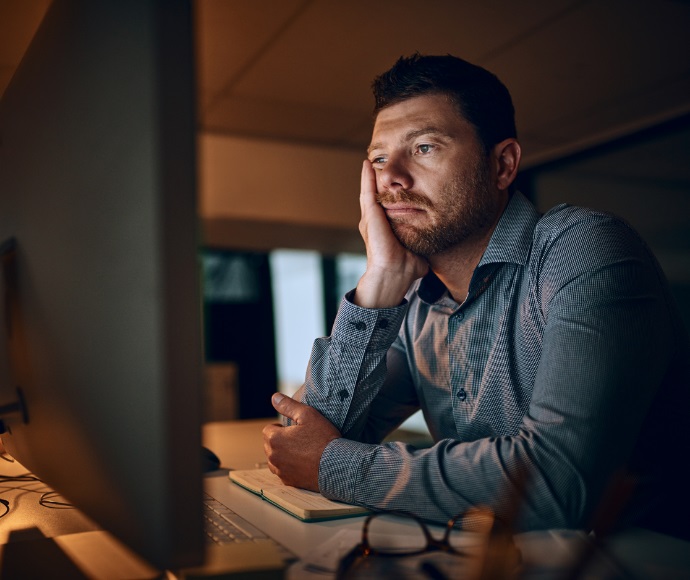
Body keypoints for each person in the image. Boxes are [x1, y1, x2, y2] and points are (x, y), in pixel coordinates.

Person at [262, 53, 690, 538]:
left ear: (503, 164)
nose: (392, 179)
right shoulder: (419, 304)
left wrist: (336, 465)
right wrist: (377, 287)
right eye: (379, 158)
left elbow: (553, 484)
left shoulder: (583, 248)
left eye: (423, 148)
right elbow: (311, 438)